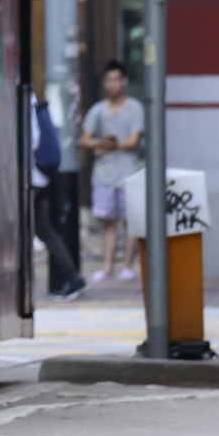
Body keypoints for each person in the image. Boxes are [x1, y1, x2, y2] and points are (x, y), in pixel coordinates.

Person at [80, 61, 144, 282]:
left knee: (129, 222)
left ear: (124, 81)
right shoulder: (97, 110)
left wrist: (107, 146)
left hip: (127, 171)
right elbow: (85, 139)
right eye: (109, 80)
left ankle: (127, 265)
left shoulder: (134, 108)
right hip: (104, 174)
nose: (113, 85)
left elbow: (134, 140)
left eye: (116, 80)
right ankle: (107, 267)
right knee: (108, 222)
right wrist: (102, 143)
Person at [32, 93, 87, 299]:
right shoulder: (34, 102)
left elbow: (32, 140)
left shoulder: (25, 102)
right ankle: (74, 278)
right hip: (40, 178)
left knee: (17, 232)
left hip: (30, 179)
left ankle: (73, 278)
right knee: (46, 232)